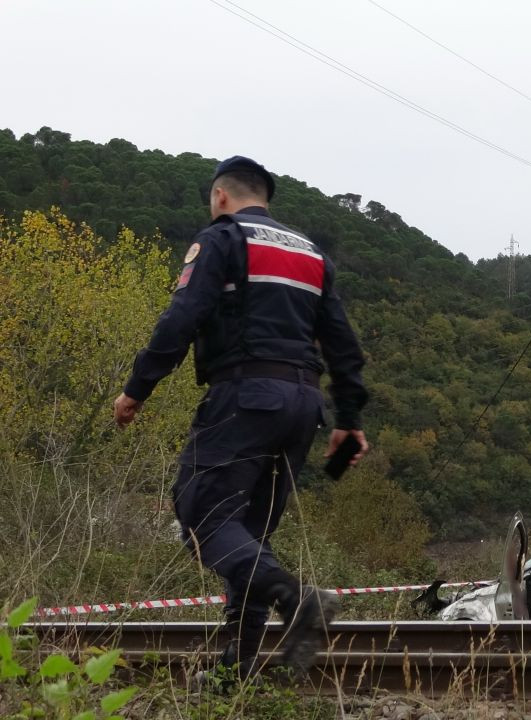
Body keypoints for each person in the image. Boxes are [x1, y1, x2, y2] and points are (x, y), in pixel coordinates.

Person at [113, 155, 370, 684]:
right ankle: (238, 667)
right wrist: (349, 417)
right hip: (304, 405)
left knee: (202, 517)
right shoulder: (311, 254)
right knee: (248, 534)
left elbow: (183, 315)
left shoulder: (222, 239)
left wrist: (138, 388)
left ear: (222, 197)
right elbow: (342, 342)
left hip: (245, 396)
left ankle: (299, 602)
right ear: (266, 197)